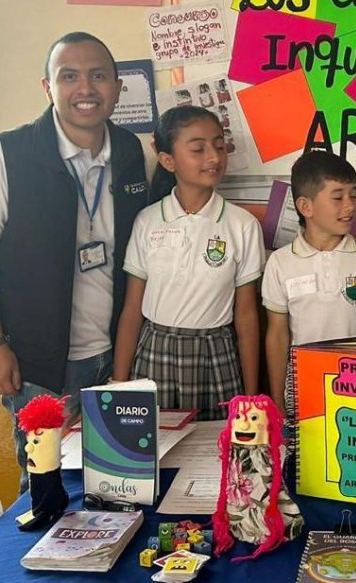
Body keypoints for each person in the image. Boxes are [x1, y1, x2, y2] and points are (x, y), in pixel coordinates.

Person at [0, 32, 155, 491]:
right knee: (43, 486)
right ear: (48, 87)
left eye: (98, 76)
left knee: (115, 484)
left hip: (112, 358)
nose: (85, 89)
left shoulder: (131, 153)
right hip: (36, 364)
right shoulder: (9, 153)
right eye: (69, 76)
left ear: (117, 87)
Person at [112, 106, 264, 419]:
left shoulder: (242, 225)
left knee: (216, 455)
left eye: (219, 146)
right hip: (155, 352)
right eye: (198, 149)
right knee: (154, 454)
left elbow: (247, 315)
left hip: (217, 354)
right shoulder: (148, 220)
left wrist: (250, 397)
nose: (214, 157)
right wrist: (119, 382)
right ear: (168, 160)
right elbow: (132, 309)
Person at [262, 150, 356, 414]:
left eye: (353, 195)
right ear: (306, 207)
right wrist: (277, 399)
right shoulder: (281, 262)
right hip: (303, 387)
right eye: (338, 197)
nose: (350, 206)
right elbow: (277, 334)